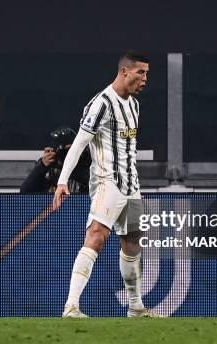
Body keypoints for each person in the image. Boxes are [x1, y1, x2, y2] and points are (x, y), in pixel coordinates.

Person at [52, 52, 164, 318]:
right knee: (97, 235)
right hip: (107, 182)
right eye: (140, 72)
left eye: (147, 73)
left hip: (131, 185)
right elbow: (79, 142)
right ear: (124, 72)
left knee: (132, 243)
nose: (145, 79)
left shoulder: (134, 105)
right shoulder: (101, 103)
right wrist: (62, 180)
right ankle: (71, 307)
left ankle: (135, 307)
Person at [20, 127, 90, 193]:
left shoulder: (86, 160)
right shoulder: (50, 165)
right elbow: (25, 191)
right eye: (63, 150)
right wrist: (41, 166)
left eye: (70, 150)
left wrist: (67, 166)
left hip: (81, 203)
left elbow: (94, 182)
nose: (67, 154)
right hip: (54, 204)